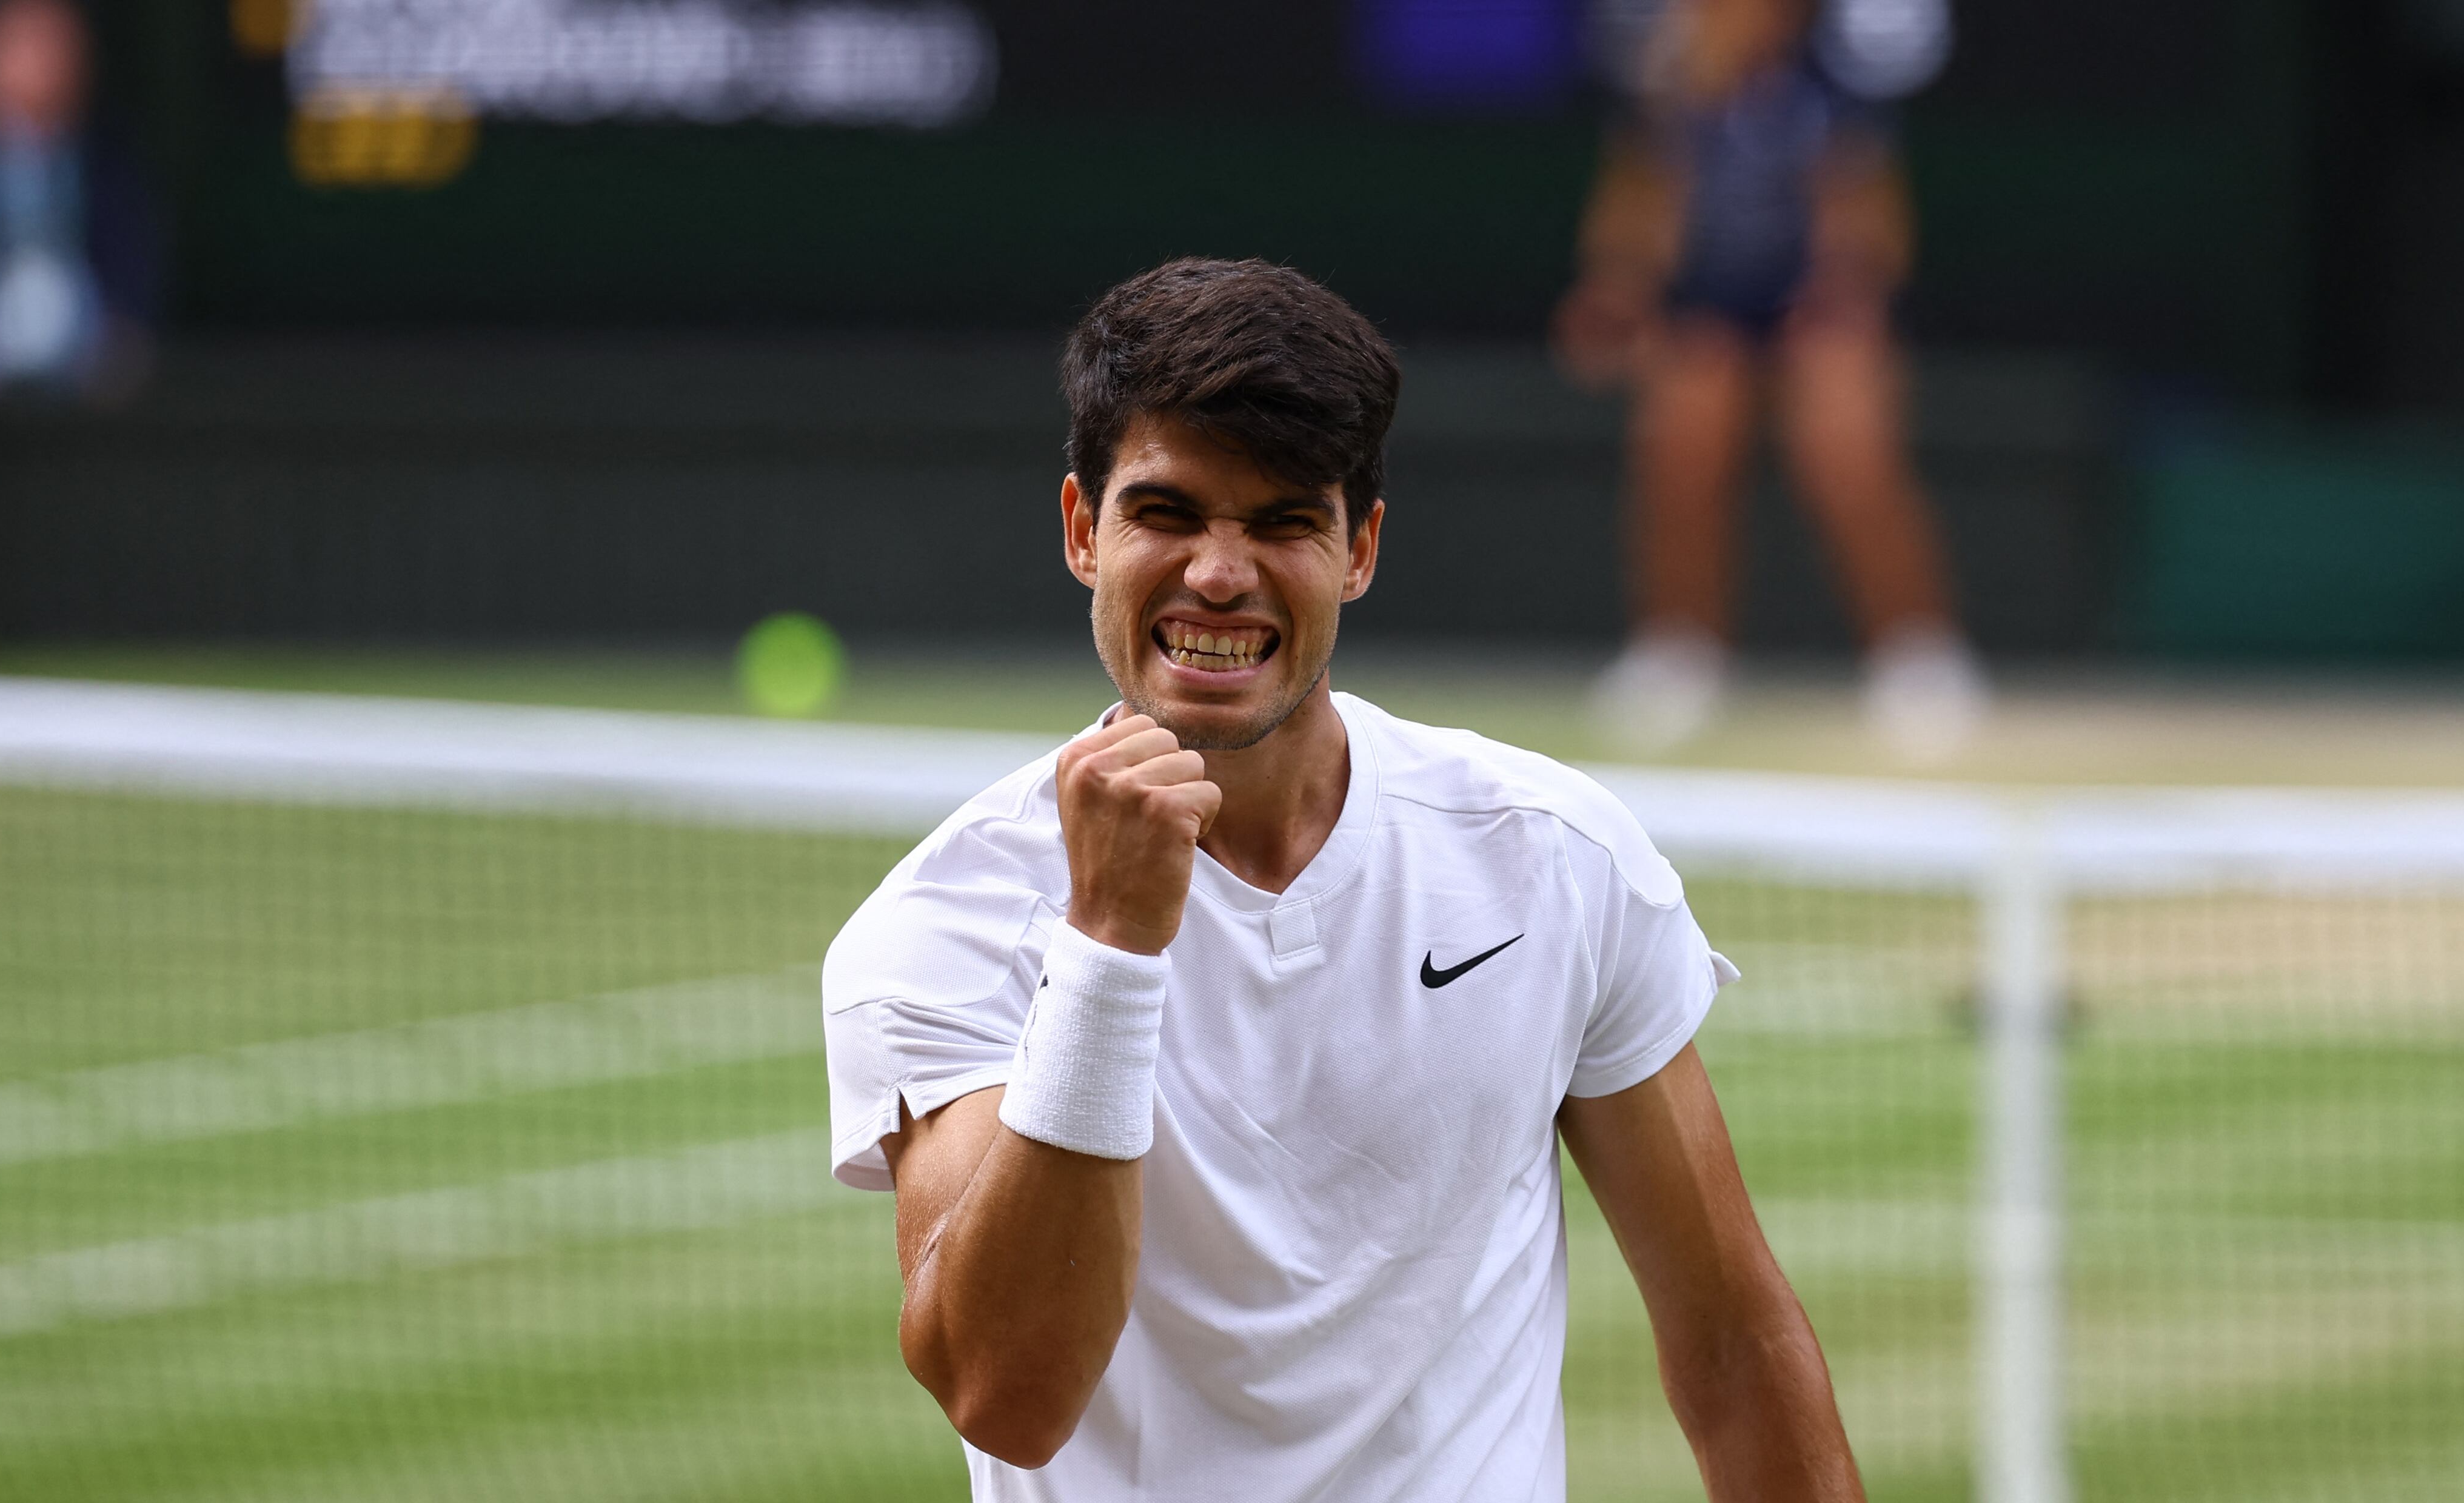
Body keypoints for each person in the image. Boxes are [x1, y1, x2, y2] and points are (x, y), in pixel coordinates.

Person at [825, 258, 1864, 1501]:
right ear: (1080, 530)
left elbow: (1733, 1340)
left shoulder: (1553, 858)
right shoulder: (944, 924)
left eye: (1281, 522)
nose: (1220, 573)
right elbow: (1010, 1395)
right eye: (1167, 513)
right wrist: (1108, 950)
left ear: (1359, 547)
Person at [1558, 0, 1982, 762]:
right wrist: (1617, 291)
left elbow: (1868, 209)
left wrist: (1842, 301)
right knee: (1679, 445)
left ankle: (1918, 660)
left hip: (1818, 300)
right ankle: (1678, 656)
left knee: (1845, 451)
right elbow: (1641, 193)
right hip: (1707, 301)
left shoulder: (1838, 71)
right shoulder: (1663, 76)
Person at [0, 0, 153, 407]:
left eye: (54, 42)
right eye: (20, 42)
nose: (38, 60)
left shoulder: (111, 170)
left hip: (86, 422)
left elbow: (136, 314)